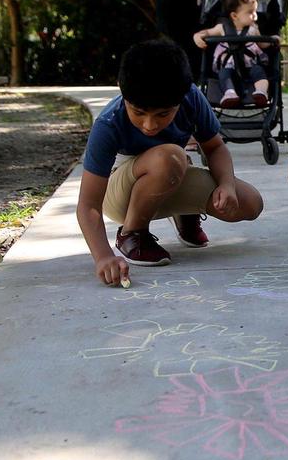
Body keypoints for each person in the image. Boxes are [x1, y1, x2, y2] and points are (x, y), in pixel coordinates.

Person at [76, 38, 263, 283]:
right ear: (121, 88)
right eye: (139, 113)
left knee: (249, 203)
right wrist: (102, 256)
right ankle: (132, 233)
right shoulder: (109, 124)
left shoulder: (191, 98)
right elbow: (88, 205)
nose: (149, 125)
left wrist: (226, 185)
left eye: (163, 114)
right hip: (120, 195)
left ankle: (184, 213)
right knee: (171, 157)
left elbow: (215, 147)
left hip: (169, 173)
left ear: (183, 95)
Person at [193, 0, 272, 109]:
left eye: (255, 11)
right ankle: (230, 93)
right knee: (224, 73)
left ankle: (261, 92)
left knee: (259, 71)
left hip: (249, 66)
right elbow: (207, 32)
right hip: (228, 67)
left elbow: (262, 44)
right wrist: (197, 36)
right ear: (234, 15)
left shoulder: (253, 29)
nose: (255, 16)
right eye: (250, 12)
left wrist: (273, 40)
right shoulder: (222, 28)